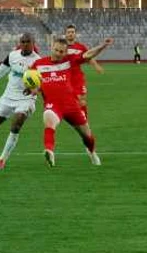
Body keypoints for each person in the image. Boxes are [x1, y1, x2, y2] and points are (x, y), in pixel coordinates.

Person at [30, 36, 114, 168]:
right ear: (51, 47)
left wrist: (102, 46)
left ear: (66, 52)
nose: (58, 54)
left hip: (72, 105)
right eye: (56, 50)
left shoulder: (70, 61)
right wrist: (33, 89)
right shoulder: (38, 64)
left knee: (87, 136)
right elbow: (31, 82)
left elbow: (88, 54)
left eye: (62, 52)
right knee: (48, 119)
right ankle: (49, 151)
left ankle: (92, 152)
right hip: (53, 105)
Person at [0, 33, 41, 169]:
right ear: (20, 43)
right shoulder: (12, 56)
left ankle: (2, 159)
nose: (25, 44)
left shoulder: (39, 61)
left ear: (34, 43)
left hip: (26, 99)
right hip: (8, 97)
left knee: (16, 125)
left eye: (28, 42)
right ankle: (10, 114)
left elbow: (44, 82)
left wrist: (35, 90)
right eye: (23, 41)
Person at [64, 24, 103, 118]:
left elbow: (89, 56)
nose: (70, 34)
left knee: (82, 100)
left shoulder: (81, 47)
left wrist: (96, 66)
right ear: (65, 34)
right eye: (68, 32)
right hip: (65, 78)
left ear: (75, 34)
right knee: (70, 101)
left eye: (72, 32)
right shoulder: (62, 47)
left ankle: (84, 120)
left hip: (77, 78)